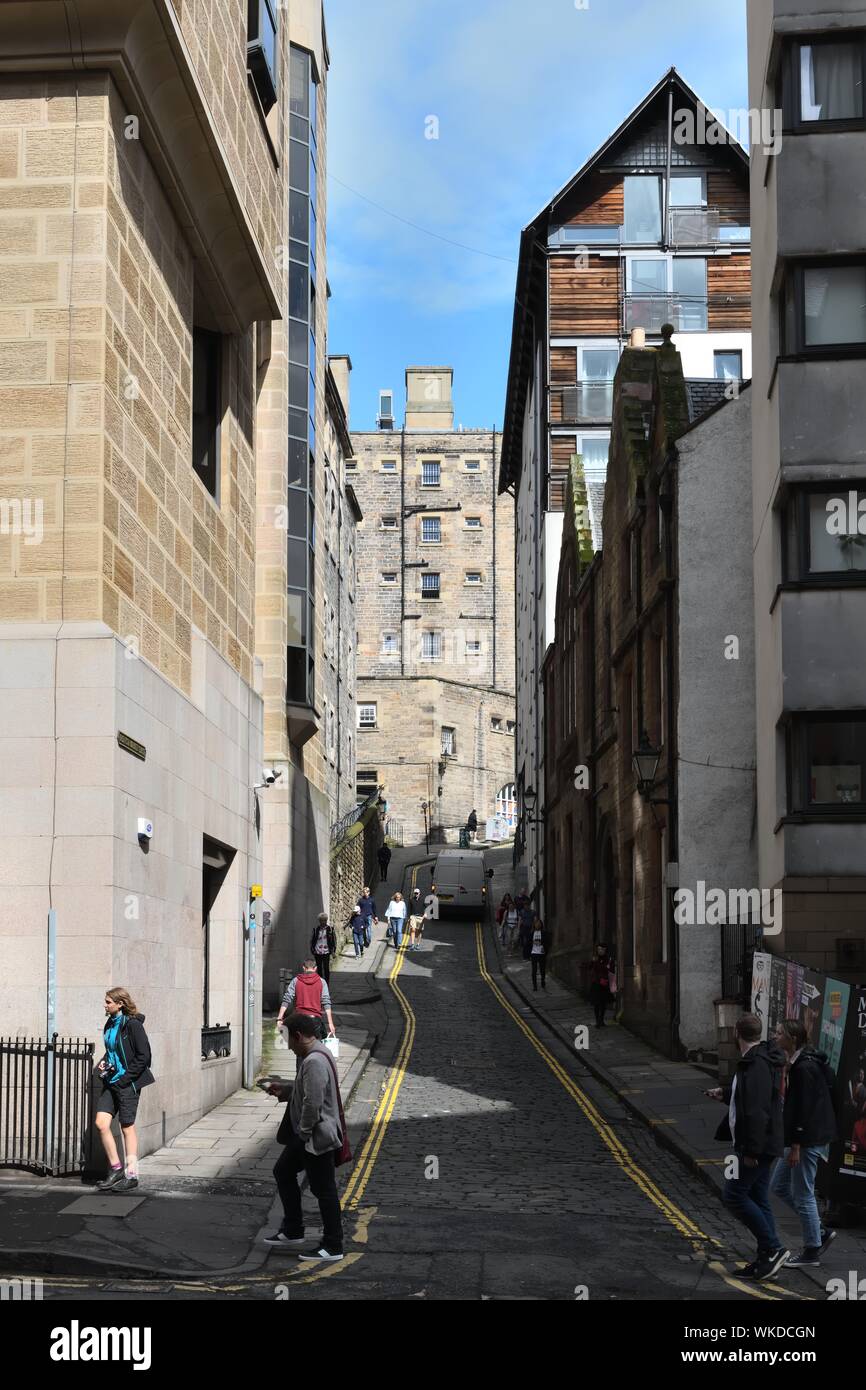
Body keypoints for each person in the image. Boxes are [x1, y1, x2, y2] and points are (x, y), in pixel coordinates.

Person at [707, 1013, 789, 1282]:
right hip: (764, 1142)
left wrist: (751, 1150)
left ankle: (774, 1248)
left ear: (736, 1034)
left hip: (757, 1145)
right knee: (758, 1196)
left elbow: (756, 1111)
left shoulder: (754, 1064)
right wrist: (726, 1095)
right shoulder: (759, 1060)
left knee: (734, 1194)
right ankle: (767, 1255)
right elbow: (752, 1099)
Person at [264, 1013, 347, 1260]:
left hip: (315, 1137)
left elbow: (313, 1103)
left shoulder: (314, 1061)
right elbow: (307, 1090)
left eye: (288, 1040)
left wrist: (302, 1133)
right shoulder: (315, 1055)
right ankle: (293, 1229)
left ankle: (333, 1245)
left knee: (324, 1190)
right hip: (309, 1135)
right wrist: (287, 1090)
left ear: (298, 1036)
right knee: (283, 1171)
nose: (287, 1046)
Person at [770, 1018, 838, 1268]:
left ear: (792, 1039)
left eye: (779, 1033)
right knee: (778, 1185)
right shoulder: (797, 1063)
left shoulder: (803, 1068)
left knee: (804, 1194)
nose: (775, 1037)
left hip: (806, 1139)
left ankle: (811, 1251)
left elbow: (803, 1109)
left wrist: (796, 1145)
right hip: (801, 1137)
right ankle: (819, 1231)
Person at [95, 987, 154, 1194]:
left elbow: (144, 1057)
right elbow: (112, 1052)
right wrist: (105, 1064)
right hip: (111, 1082)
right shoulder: (110, 1024)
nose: (105, 1005)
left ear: (120, 1003)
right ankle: (116, 1169)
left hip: (127, 1083)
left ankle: (131, 1175)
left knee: (127, 1127)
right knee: (101, 1124)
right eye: (105, 1001)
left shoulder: (133, 1025)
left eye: (108, 1002)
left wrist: (125, 1079)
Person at [277, 960, 336, 1042]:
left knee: (300, 1046)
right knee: (316, 1047)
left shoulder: (296, 981)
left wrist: (280, 1018)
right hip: (315, 1020)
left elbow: (286, 999)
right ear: (315, 968)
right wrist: (330, 1023)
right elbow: (326, 1002)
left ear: (304, 968)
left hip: (300, 1019)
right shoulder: (322, 982)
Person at [589, 944, 614, 1028]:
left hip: (604, 983)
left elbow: (610, 970)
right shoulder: (595, 959)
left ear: (605, 950)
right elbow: (591, 969)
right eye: (599, 949)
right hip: (596, 984)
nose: (600, 951)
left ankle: (601, 1020)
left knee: (603, 1003)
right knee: (596, 1003)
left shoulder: (608, 959)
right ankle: (597, 1021)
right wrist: (592, 962)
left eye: (602, 949)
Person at [310, 911, 337, 983]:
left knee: (326, 968)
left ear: (326, 920)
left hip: (326, 951)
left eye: (325, 920)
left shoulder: (330, 929)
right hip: (317, 951)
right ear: (319, 921)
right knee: (319, 969)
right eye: (321, 920)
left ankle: (326, 983)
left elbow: (334, 940)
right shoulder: (316, 930)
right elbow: (312, 940)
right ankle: (320, 983)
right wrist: (312, 949)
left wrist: (333, 951)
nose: (323, 922)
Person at [529, 915, 550, 992]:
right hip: (534, 953)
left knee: (542, 970)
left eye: (539, 923)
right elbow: (528, 943)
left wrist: (543, 946)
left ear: (541, 924)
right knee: (534, 971)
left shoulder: (544, 933)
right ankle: (535, 986)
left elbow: (547, 942)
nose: (537, 925)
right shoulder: (532, 933)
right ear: (534, 925)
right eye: (536, 923)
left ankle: (542, 981)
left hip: (541, 953)